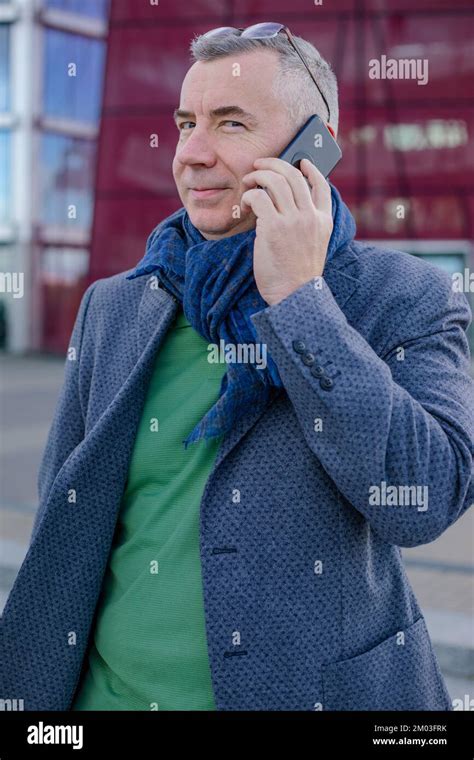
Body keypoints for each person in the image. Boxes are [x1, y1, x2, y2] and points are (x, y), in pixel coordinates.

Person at [1, 24, 473, 712]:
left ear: (316, 144)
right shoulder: (117, 304)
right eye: (186, 122)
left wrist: (301, 303)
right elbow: (65, 519)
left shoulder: (404, 298)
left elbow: (424, 495)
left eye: (230, 123)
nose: (191, 154)